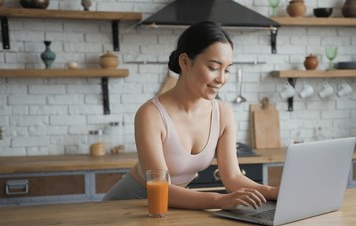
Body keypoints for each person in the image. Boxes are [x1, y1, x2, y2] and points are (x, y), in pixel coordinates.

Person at [103, 21, 279, 209]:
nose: (221, 79)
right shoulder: (151, 115)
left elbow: (233, 177)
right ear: (185, 62)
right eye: (213, 67)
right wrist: (220, 200)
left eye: (227, 70)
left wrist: (272, 192)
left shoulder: (223, 114)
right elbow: (161, 188)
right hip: (127, 207)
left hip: (170, 209)